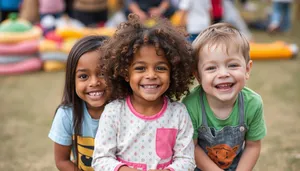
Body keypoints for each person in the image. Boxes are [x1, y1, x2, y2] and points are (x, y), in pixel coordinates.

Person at [92, 13, 196, 171]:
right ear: (125, 73)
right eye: (140, 68)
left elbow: (187, 160)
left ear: (173, 72)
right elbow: (101, 159)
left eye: (160, 68)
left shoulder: (178, 113)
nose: (151, 75)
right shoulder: (114, 112)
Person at [182, 23, 267, 171]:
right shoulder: (191, 105)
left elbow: (253, 145)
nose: (223, 74)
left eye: (232, 65)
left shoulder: (253, 103)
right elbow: (192, 148)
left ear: (247, 69)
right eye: (211, 68)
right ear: (198, 76)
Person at [48, 35, 111, 171]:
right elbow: (62, 160)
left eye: (103, 73)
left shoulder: (127, 110)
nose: (94, 82)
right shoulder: (66, 114)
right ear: (72, 80)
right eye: (83, 76)